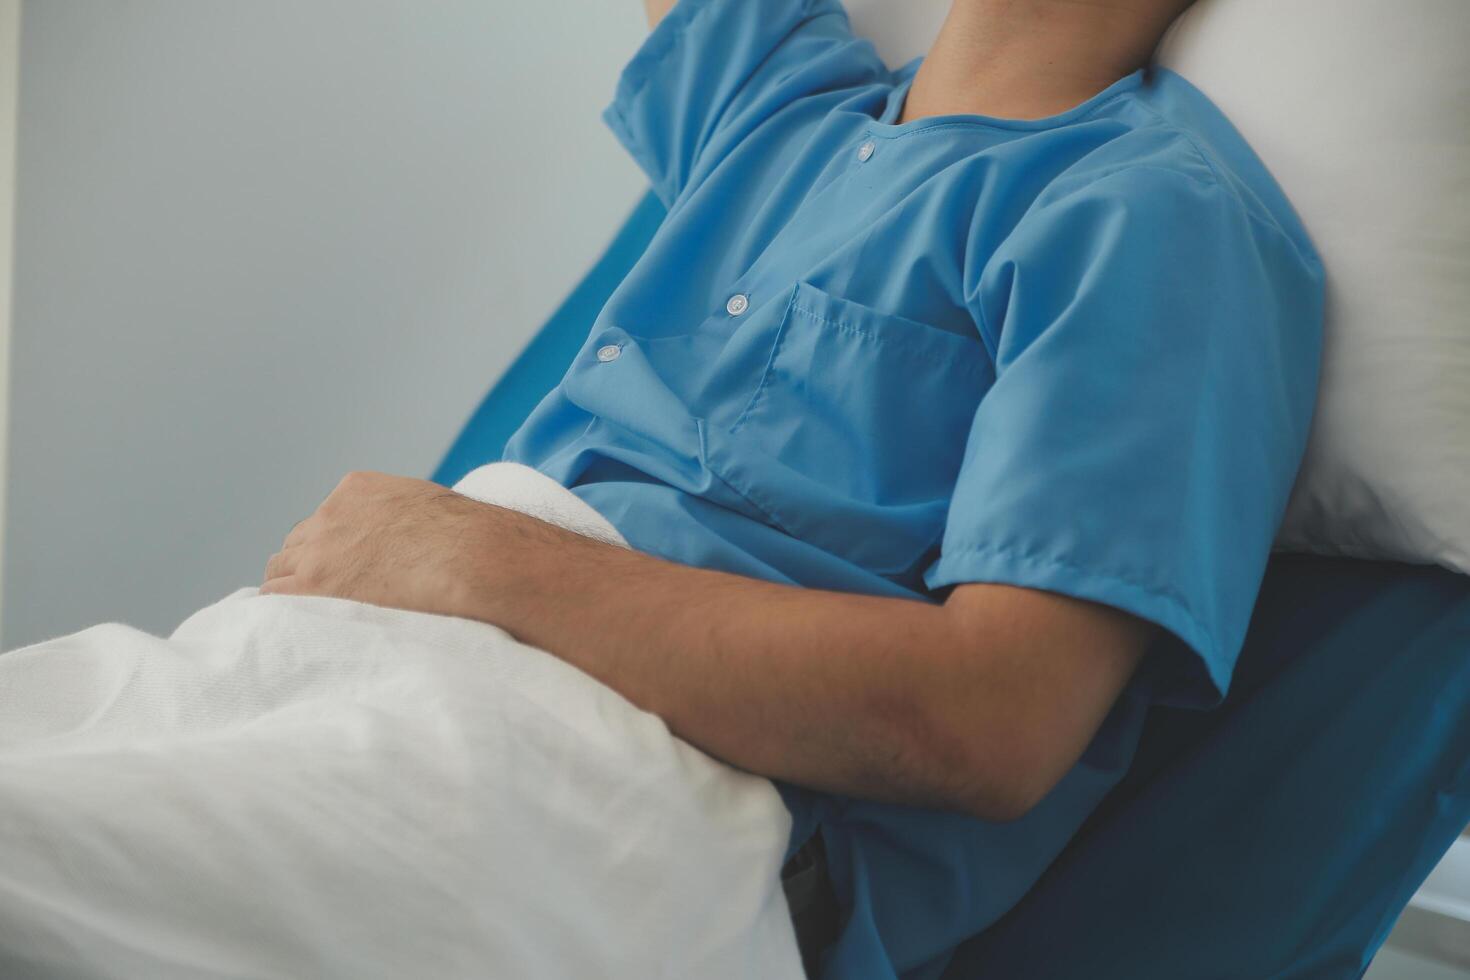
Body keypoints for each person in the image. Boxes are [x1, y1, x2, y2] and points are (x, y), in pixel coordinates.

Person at [32, 1, 1326, 978]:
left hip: (619, 796)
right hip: (320, 664)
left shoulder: (1156, 219)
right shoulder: (788, 104)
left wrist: (478, 565)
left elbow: (995, 720)